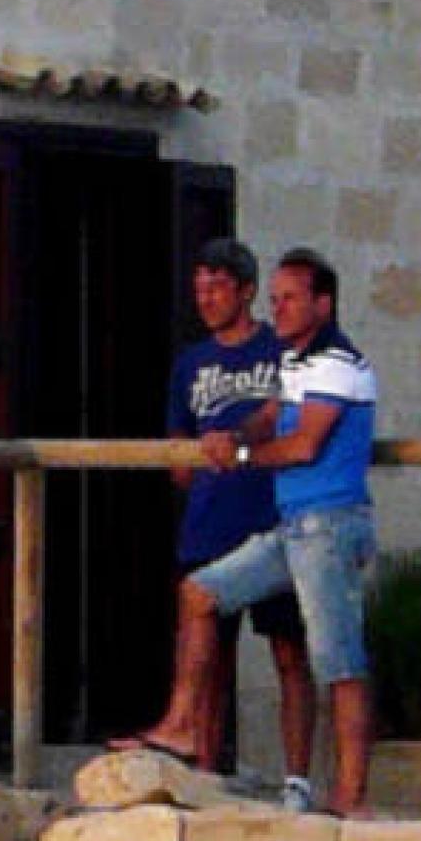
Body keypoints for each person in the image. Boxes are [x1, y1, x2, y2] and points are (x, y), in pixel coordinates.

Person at [119, 247, 380, 815]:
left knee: (335, 661)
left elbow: (304, 443)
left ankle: (347, 798)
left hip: (328, 525)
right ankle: (183, 726)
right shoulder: (296, 362)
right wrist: (234, 431)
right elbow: (268, 416)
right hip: (292, 528)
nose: (279, 308)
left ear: (323, 303)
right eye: (277, 298)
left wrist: (238, 452)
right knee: (200, 593)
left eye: (290, 298)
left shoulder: (336, 362)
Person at [145, 236, 318, 795]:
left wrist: (241, 444)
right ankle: (203, 768)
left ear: (246, 290)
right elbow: (177, 444)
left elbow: (284, 418)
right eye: (200, 288)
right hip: (210, 522)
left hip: (271, 517)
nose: (208, 298)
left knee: (290, 653)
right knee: (209, 654)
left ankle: (297, 779)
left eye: (218, 286)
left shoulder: (279, 353)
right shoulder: (190, 365)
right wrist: (192, 463)